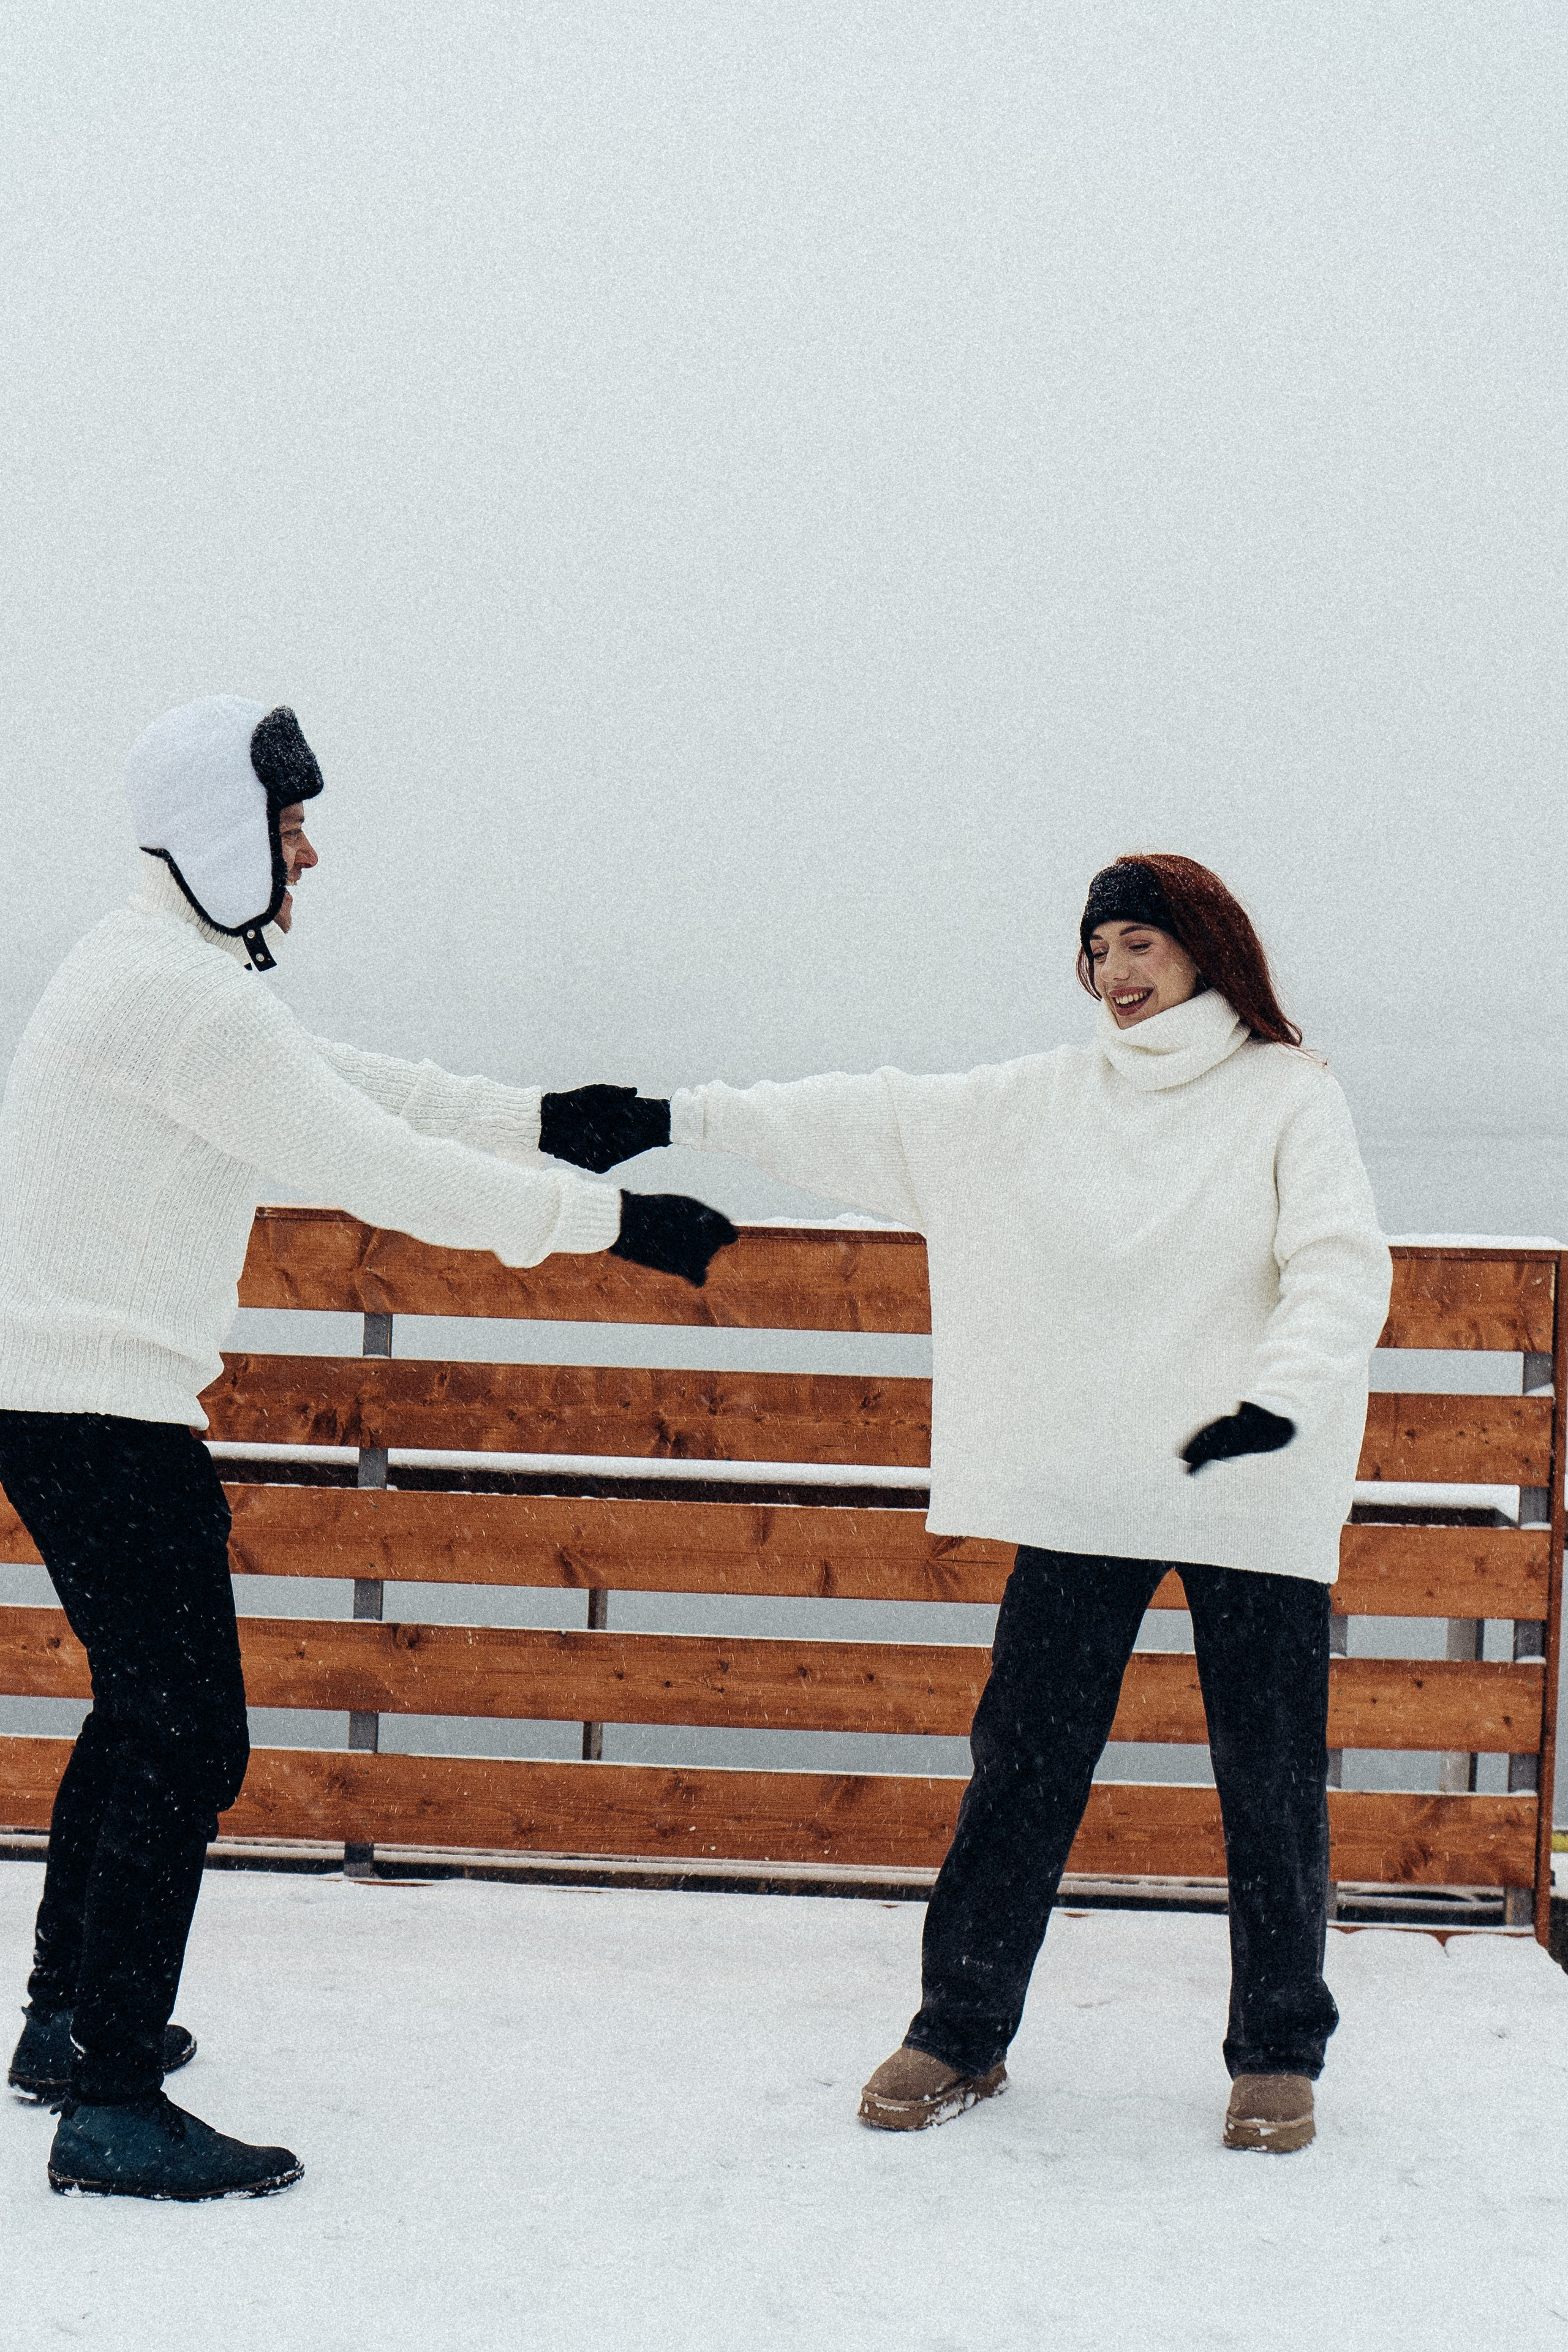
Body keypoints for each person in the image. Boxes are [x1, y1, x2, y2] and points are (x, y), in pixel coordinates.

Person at [539, 854, 1391, 2155]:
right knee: (1024, 1766)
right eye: (1097, 948)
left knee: (1268, 1780)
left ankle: (1278, 2051)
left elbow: (1336, 1262)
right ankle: (961, 2029)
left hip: (1250, 1484)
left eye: (1138, 944)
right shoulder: (1044, 1101)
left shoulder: (1288, 1095)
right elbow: (872, 1118)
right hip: (1091, 1484)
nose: (1113, 973)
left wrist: (1280, 1394)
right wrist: (673, 1114)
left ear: (1202, 947)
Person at [0, 695, 736, 2201]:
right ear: (221, 835)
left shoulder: (157, 968)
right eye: (287, 829)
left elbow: (344, 1083)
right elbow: (374, 1161)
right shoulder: (183, 1000)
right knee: (188, 1738)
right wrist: (608, 1222)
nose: (308, 855)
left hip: (66, 1397)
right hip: (97, 1409)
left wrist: (543, 1118)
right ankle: (111, 2103)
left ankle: (67, 2025)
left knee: (143, 1716)